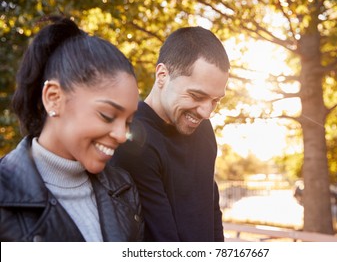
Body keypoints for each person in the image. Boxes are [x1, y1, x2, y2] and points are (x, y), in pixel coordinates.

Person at [0, 16, 144, 241]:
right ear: (54, 98)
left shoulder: (124, 189)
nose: (121, 135)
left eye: (128, 122)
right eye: (107, 115)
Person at [111, 26, 230, 241]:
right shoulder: (132, 140)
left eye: (215, 101)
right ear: (162, 75)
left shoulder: (203, 129)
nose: (206, 112)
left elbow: (212, 209)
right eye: (196, 95)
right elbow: (161, 240)